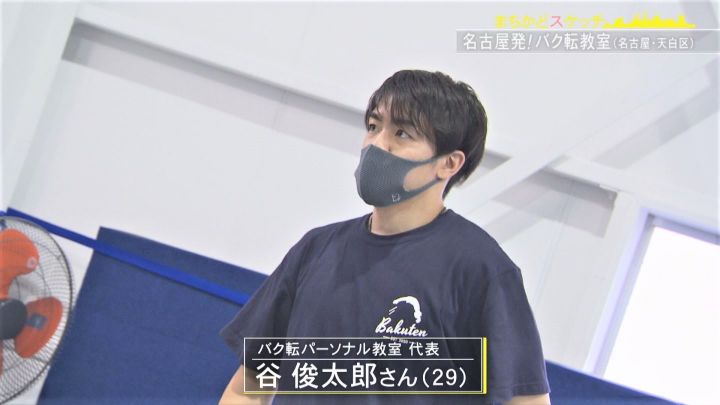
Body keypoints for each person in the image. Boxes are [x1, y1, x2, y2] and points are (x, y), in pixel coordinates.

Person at [218, 70, 551, 404]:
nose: (377, 144)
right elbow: (251, 384)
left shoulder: (481, 270)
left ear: (449, 163)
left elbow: (526, 401)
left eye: (402, 133)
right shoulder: (315, 250)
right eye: (374, 126)